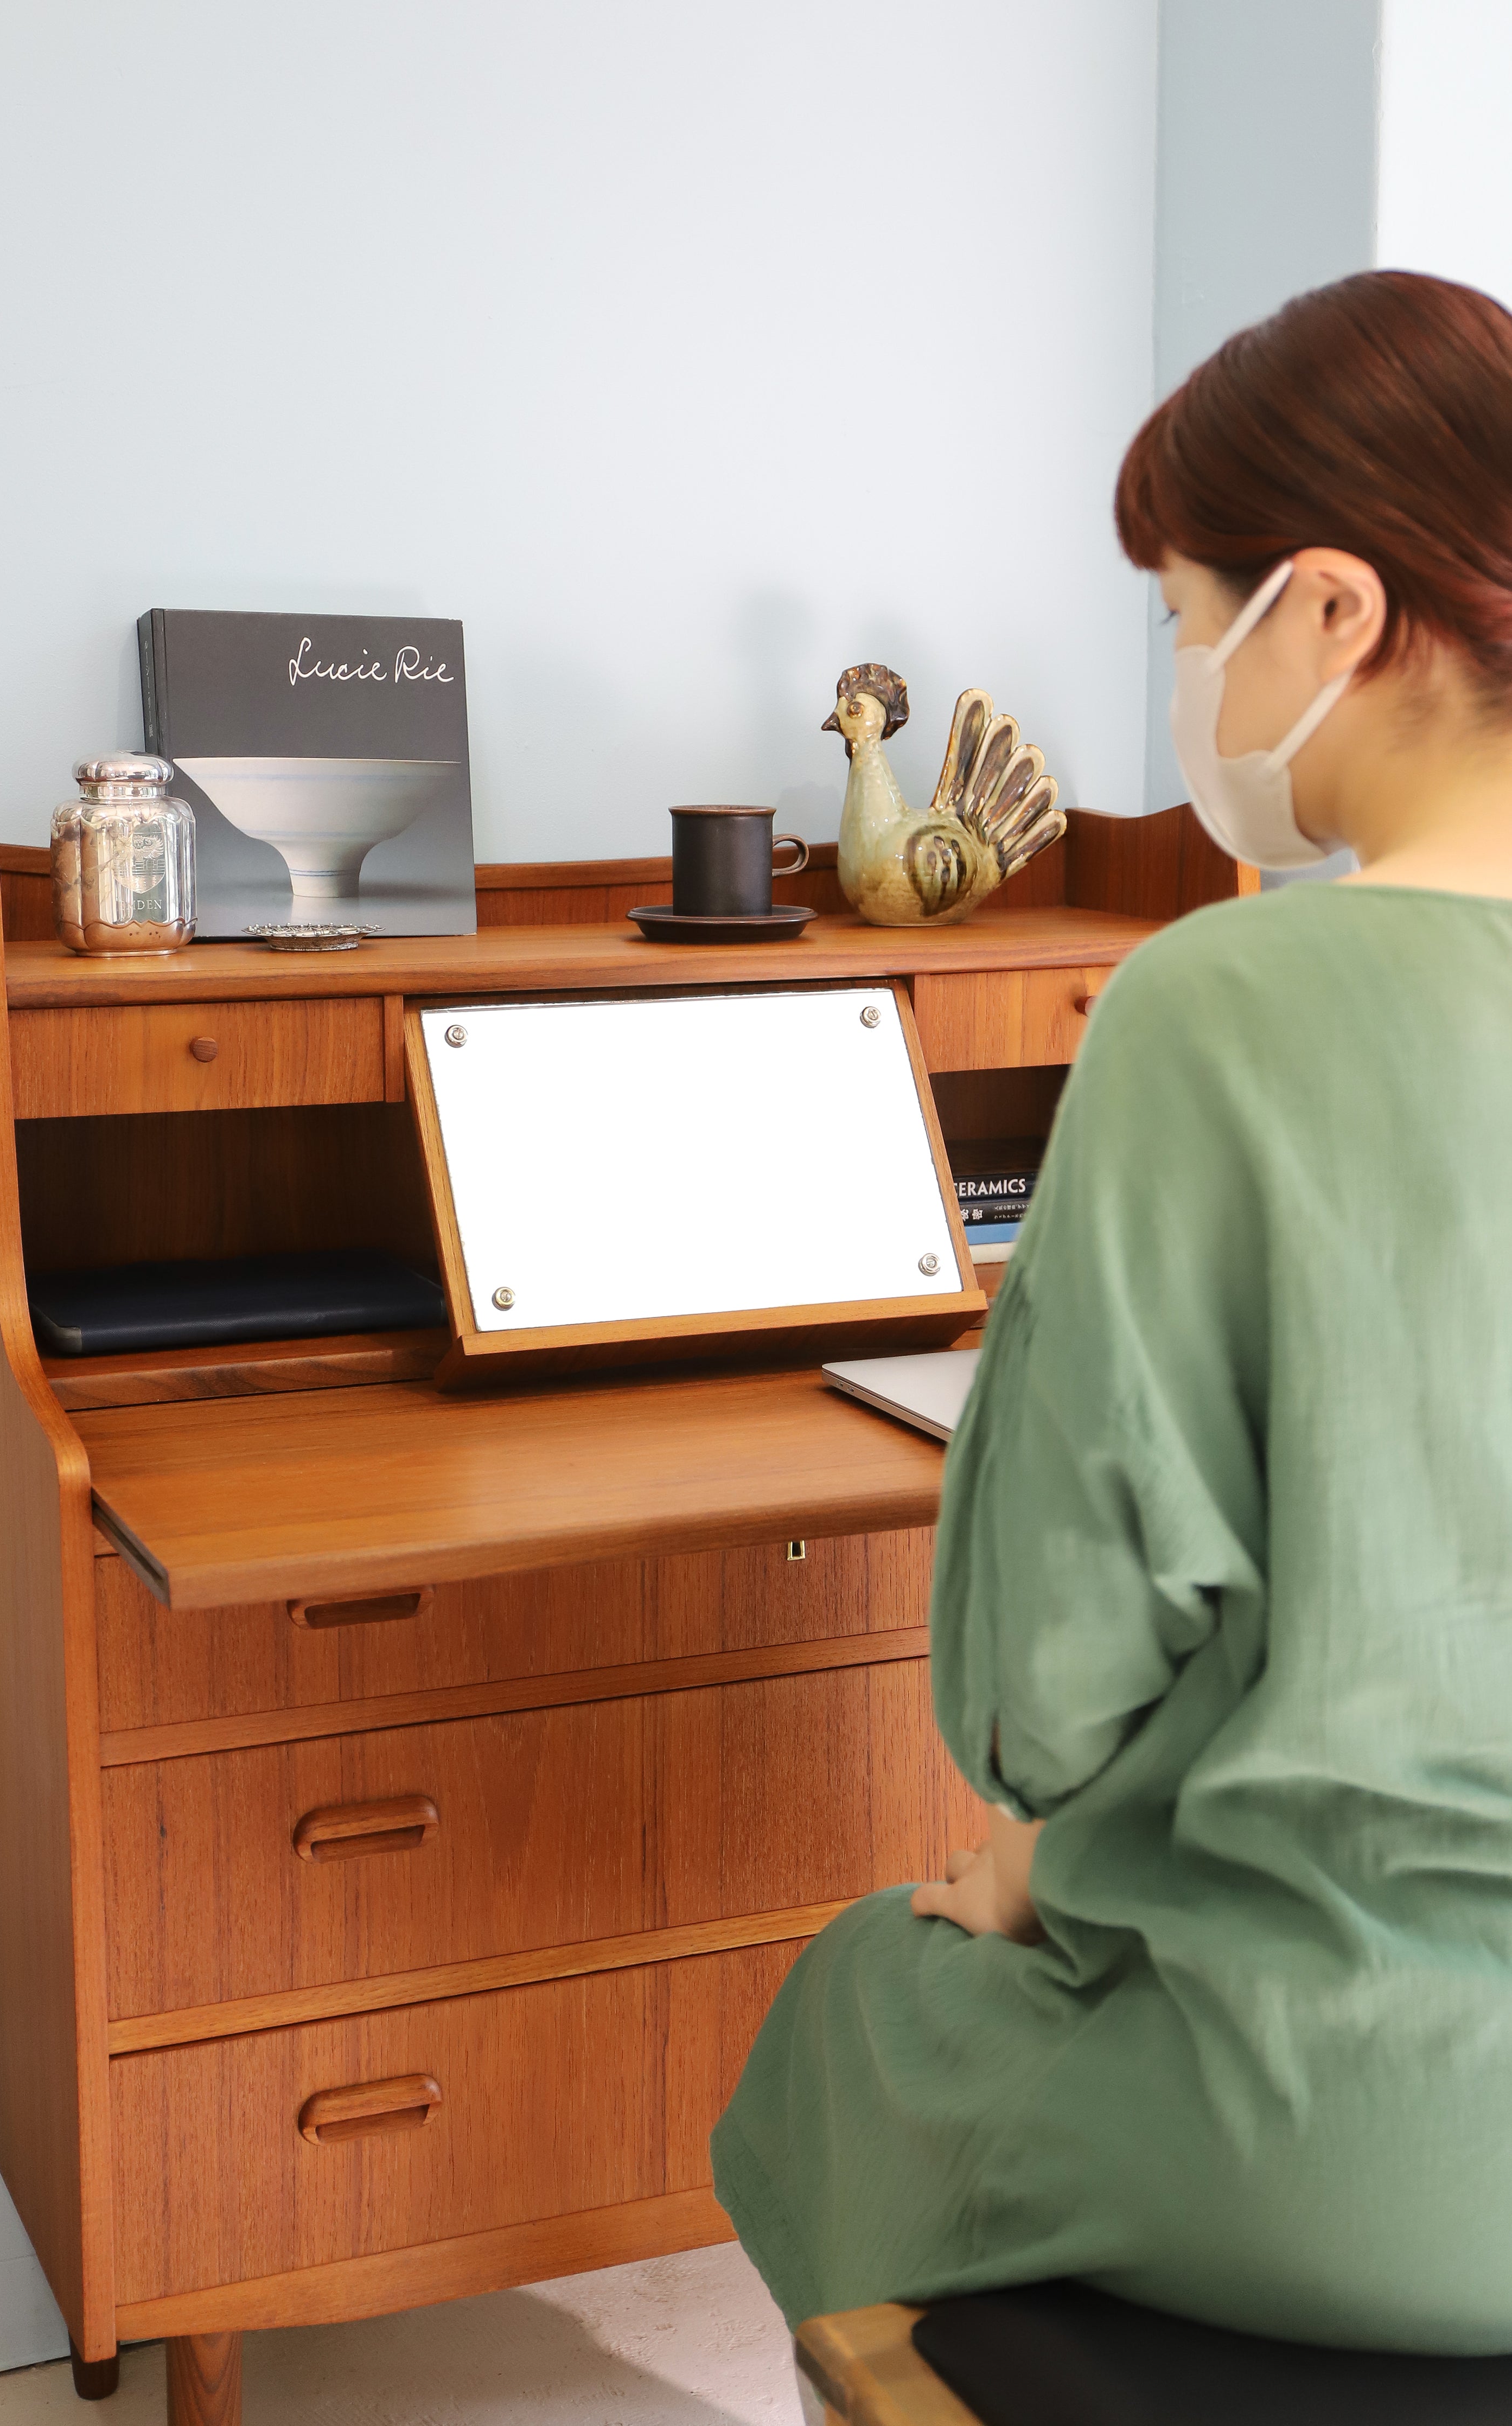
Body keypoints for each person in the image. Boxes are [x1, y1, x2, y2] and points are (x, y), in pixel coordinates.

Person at [710, 269, 1512, 2355]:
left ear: (1334, 615)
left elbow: (1036, 1693)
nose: (1183, 679)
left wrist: (1045, 1868)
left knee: (857, 2010)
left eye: (1182, 615)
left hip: (1378, 2146)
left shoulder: (1220, 1003)